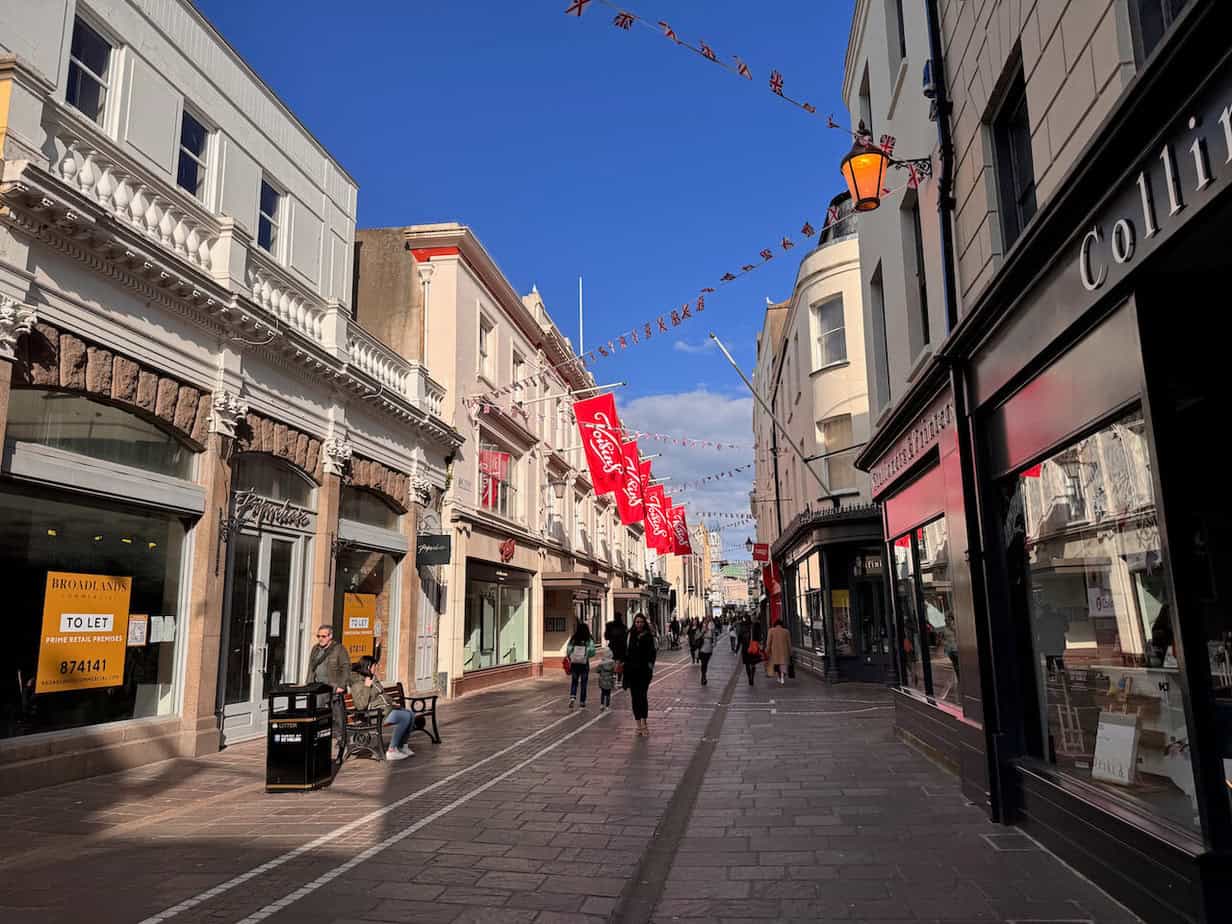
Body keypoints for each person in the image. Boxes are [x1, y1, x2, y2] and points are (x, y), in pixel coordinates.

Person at [349, 655, 414, 760]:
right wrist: (366, 687)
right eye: (375, 666)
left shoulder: (372, 678)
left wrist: (392, 702)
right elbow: (361, 706)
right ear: (368, 666)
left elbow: (382, 694)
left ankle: (402, 746)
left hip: (384, 710)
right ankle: (392, 750)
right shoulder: (357, 683)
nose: (377, 668)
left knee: (410, 714)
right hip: (374, 715)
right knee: (405, 717)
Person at [306, 624, 350, 743]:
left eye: (324, 636)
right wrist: (308, 684)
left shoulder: (339, 649)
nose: (320, 638)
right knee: (317, 713)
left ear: (330, 636)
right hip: (318, 687)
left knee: (337, 714)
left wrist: (341, 685)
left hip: (333, 687)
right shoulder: (315, 649)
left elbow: (346, 668)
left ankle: (342, 739)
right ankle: (319, 737)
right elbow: (311, 668)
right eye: (318, 636)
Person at [625, 614, 657, 736]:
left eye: (641, 622)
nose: (639, 624)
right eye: (637, 622)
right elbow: (626, 652)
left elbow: (653, 653)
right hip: (632, 672)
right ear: (634, 623)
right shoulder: (630, 635)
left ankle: (644, 723)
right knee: (634, 698)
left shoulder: (648, 636)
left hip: (644, 672)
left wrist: (650, 665)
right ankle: (638, 724)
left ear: (644, 623)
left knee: (642, 696)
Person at [566, 621, 595, 708]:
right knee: (584, 682)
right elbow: (592, 651)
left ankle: (572, 697)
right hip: (584, 663)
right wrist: (586, 653)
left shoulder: (574, 638)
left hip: (575, 663)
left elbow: (568, 650)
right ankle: (582, 701)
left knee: (574, 681)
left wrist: (571, 656)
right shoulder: (588, 639)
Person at [605, 614, 628, 689]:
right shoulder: (623, 627)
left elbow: (606, 636)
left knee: (613, 662)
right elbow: (626, 638)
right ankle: (618, 680)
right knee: (620, 664)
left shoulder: (609, 625)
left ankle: (614, 677)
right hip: (621, 648)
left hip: (613, 647)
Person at [766, 618, 792, 686]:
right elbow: (789, 643)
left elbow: (768, 642)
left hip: (774, 651)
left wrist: (767, 650)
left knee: (776, 665)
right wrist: (790, 652)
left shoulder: (771, 630)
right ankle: (782, 678)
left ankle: (779, 677)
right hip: (784, 651)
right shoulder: (786, 631)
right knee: (783, 664)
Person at [739, 619, 760, 686]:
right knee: (753, 664)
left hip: (745, 650)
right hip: (753, 649)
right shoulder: (753, 631)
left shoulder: (742, 631)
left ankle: (749, 678)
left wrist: (736, 650)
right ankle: (752, 677)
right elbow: (758, 639)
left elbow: (739, 642)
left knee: (747, 665)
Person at [596, 646, 616, 710]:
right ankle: (607, 706)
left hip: (602, 679)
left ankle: (601, 704)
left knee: (603, 693)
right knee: (608, 694)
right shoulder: (612, 663)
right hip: (609, 680)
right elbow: (614, 671)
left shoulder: (601, 663)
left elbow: (597, 670)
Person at [698, 617, 717, 686]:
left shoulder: (712, 626)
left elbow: (714, 635)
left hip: (708, 648)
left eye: (708, 620)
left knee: (705, 663)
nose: (707, 622)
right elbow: (698, 636)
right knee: (703, 663)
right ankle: (703, 676)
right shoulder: (701, 626)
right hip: (702, 647)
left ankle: (704, 675)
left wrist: (714, 643)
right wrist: (703, 631)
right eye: (706, 620)